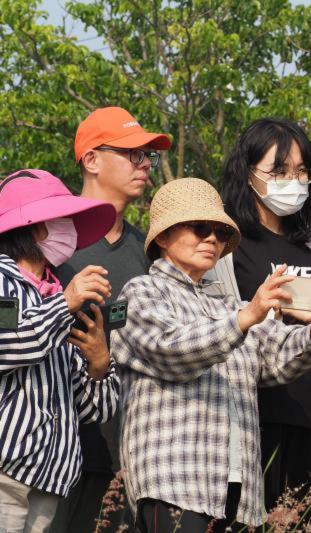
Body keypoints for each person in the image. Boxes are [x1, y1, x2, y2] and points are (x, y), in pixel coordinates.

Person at [111, 178, 311, 531]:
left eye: (219, 233)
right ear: (163, 237)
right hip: (172, 479)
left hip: (238, 488)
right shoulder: (141, 292)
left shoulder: (227, 302)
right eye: (199, 228)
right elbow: (170, 349)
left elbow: (277, 358)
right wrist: (246, 317)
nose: (212, 239)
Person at [52, 106, 171, 532]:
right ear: (91, 160)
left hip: (128, 456)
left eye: (148, 156)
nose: (144, 165)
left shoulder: (151, 251)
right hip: (50, 453)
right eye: (132, 153)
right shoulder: (47, 239)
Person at [217, 118, 311, 513]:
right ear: (247, 174)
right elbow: (219, 322)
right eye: (280, 170)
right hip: (249, 415)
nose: (294, 181)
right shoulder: (226, 242)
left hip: (309, 413)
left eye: (302, 171)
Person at [0, 169, 120, 533]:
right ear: (31, 225)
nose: (69, 228)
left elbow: (93, 410)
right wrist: (65, 304)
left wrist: (99, 363)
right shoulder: (4, 281)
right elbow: (8, 345)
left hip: (51, 476)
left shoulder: (60, 293)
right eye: (61, 219)